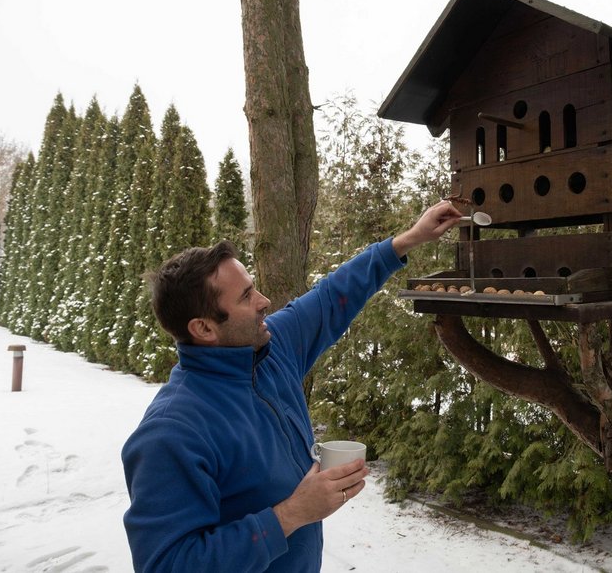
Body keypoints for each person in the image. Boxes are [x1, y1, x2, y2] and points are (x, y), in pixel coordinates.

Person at [121, 200, 463, 573]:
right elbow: (166, 565)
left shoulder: (269, 350)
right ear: (204, 328)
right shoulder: (172, 433)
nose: (264, 302)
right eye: (246, 297)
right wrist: (292, 514)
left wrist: (409, 239)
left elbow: (331, 297)